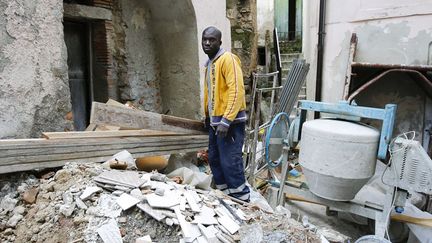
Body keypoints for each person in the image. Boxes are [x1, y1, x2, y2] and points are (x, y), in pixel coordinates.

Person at [201, 26, 250, 202]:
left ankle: (242, 199)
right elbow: (211, 94)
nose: (207, 42)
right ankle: (226, 196)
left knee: (230, 161)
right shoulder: (209, 64)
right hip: (216, 123)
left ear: (219, 42)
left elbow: (236, 90)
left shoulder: (227, 59)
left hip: (230, 123)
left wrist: (226, 120)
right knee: (215, 159)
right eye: (204, 39)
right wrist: (207, 116)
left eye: (211, 39)